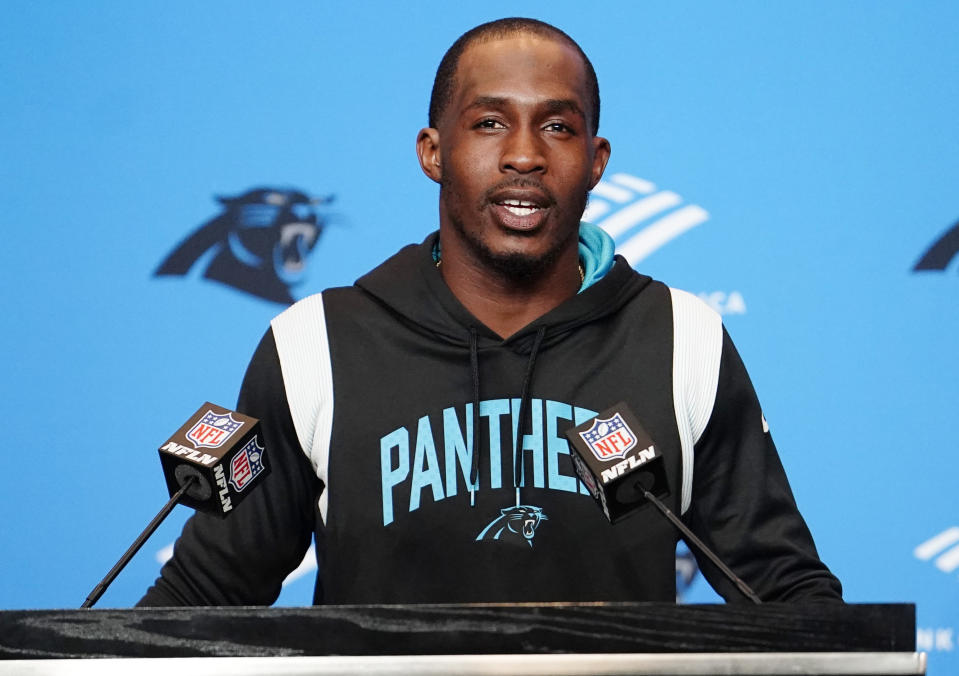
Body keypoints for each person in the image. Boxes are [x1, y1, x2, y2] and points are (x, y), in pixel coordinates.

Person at [140, 18, 842, 606]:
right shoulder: (315, 346)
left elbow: (779, 588)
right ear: (433, 151)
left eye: (557, 127)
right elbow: (209, 591)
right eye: (488, 122)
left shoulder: (682, 339)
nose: (523, 156)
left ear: (596, 160)